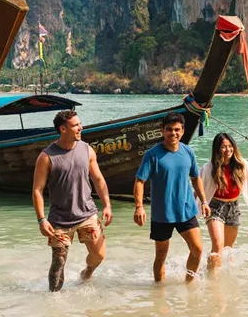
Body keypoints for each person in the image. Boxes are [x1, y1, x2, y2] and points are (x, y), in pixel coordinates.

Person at [32, 110, 113, 292]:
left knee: (99, 255)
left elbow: (98, 179)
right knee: (59, 261)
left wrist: (107, 204)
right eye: (76, 125)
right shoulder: (46, 157)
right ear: (63, 129)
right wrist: (41, 219)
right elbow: (37, 190)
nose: (80, 128)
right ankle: (54, 301)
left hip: (87, 214)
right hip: (60, 219)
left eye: (79, 124)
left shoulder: (87, 150)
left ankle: (87, 273)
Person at [133, 112, 210, 283]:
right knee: (161, 255)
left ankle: (189, 284)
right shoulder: (152, 155)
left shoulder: (188, 151)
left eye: (177, 130)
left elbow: (196, 177)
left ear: (182, 131)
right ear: (162, 131)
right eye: (169, 130)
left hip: (186, 210)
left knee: (197, 250)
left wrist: (204, 201)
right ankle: (158, 292)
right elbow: (139, 181)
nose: (173, 133)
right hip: (162, 214)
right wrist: (139, 206)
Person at [199, 132, 248, 270]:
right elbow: (199, 185)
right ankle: (213, 281)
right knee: (218, 245)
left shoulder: (241, 165)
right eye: (224, 147)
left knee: (228, 249)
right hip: (215, 207)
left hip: (233, 208)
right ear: (217, 149)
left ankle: (225, 278)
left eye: (230, 146)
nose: (228, 150)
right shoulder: (209, 167)